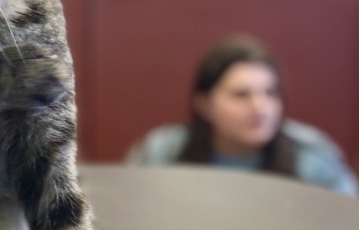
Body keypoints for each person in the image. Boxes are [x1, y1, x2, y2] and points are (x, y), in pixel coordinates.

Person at [126, 36, 357, 196]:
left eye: (270, 93)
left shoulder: (311, 158)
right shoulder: (162, 153)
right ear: (204, 103)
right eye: (241, 95)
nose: (260, 108)